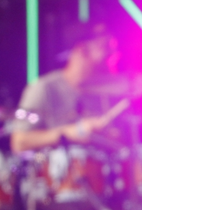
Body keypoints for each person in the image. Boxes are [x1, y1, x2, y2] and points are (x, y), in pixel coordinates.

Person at [10, 23, 140, 153]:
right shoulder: (44, 89)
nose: (114, 55)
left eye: (114, 49)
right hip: (56, 172)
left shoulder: (112, 92)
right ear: (82, 49)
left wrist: (112, 138)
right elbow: (19, 142)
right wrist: (71, 133)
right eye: (105, 47)